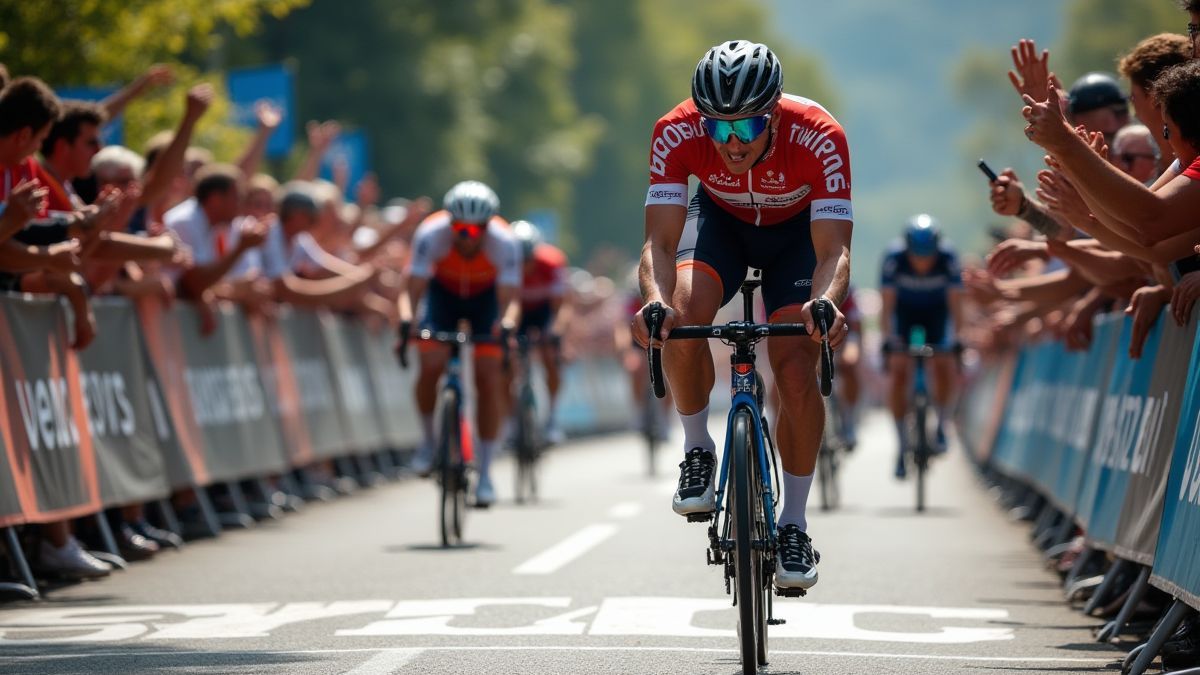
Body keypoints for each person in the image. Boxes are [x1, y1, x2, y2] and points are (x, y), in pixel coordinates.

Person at [631, 40, 852, 591]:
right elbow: (659, 242)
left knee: (797, 367)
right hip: (722, 229)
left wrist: (824, 305)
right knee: (680, 315)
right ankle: (697, 448)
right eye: (718, 128)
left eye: (745, 129)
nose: (730, 144)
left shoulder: (821, 135)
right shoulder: (675, 130)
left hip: (795, 241)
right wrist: (653, 302)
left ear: (773, 113)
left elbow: (833, 252)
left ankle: (795, 523)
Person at [397, 180, 521, 508]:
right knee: (430, 365)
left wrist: (507, 325)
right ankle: (427, 442)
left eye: (476, 228)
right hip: (443, 296)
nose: (468, 236)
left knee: (488, 377)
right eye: (460, 228)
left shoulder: (505, 241)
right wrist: (407, 321)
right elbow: (410, 290)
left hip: (485, 299)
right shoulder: (430, 234)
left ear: (487, 225)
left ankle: (485, 474)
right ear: (450, 223)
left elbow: (511, 301)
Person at [880, 215, 963, 479]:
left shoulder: (948, 258)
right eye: (917, 256)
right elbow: (887, 305)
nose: (923, 262)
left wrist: (957, 339)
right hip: (905, 316)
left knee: (944, 363)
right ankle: (901, 443)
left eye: (928, 256)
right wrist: (888, 339)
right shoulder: (894, 258)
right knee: (899, 370)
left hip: (936, 315)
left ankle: (941, 424)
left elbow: (956, 305)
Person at [509, 220, 568, 444]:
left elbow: (562, 306)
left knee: (551, 358)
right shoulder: (502, 263)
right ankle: (511, 423)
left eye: (528, 260)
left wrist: (556, 331)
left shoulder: (552, 261)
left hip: (545, 311)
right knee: (505, 362)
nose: (523, 266)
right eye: (518, 261)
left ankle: (552, 418)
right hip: (517, 313)